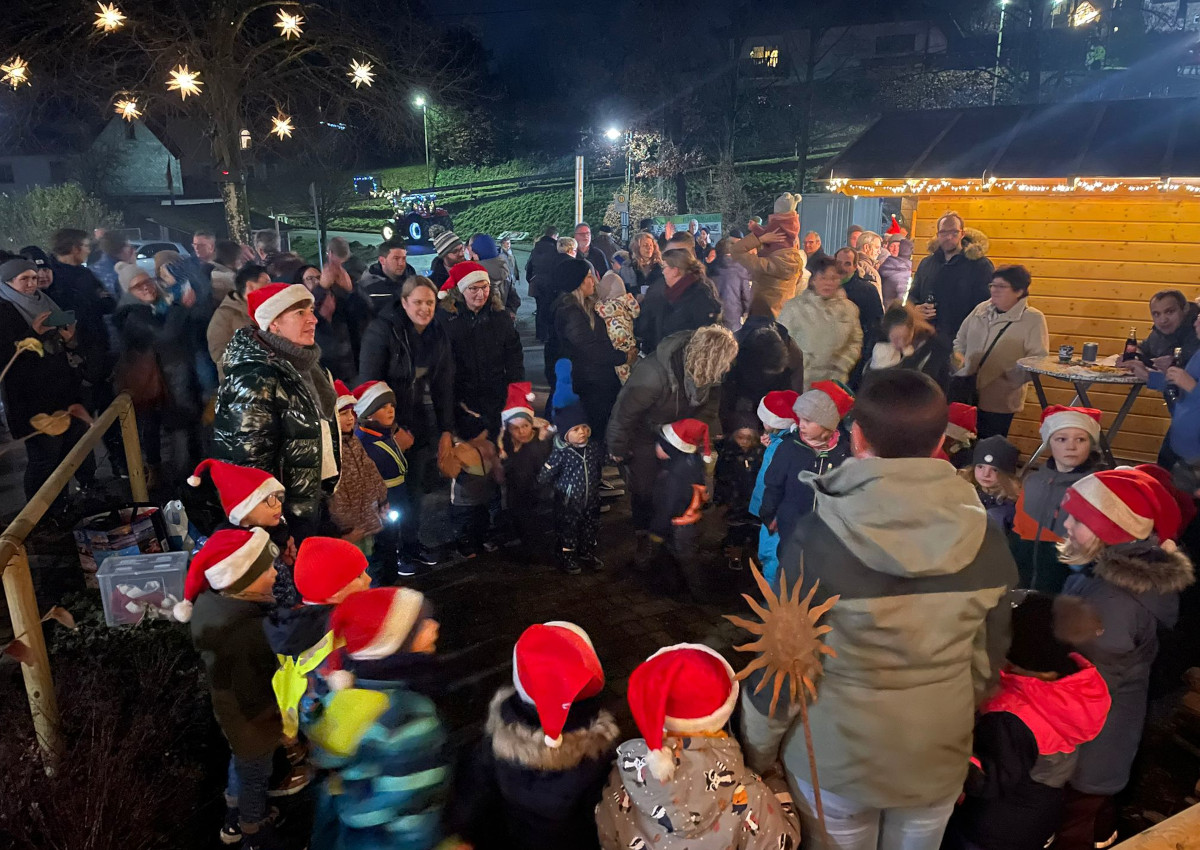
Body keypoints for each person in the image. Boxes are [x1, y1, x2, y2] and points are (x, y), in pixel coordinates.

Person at [740, 369, 1019, 850]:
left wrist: (757, 749)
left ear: (857, 435)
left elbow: (784, 669)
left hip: (836, 762)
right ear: (939, 443)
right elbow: (985, 662)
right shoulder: (987, 539)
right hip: (936, 754)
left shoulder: (815, 538)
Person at [1056, 466, 1196, 850]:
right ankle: (1107, 836)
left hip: (1093, 732)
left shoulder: (1112, 600)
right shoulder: (1109, 578)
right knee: (1096, 803)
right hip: (1112, 730)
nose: (1066, 524)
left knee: (1075, 817)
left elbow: (1089, 676)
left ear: (1111, 532)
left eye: (1079, 519)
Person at [942, 593, 1111, 850]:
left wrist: (944, 747)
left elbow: (987, 779)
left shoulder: (1011, 716)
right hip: (1039, 813)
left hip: (993, 829)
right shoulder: (1075, 687)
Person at [596, 643, 801, 850]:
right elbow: (781, 844)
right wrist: (774, 781)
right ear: (722, 716)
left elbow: (607, 833)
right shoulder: (750, 793)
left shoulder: (623, 777)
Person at [305, 587, 453, 850]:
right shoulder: (407, 715)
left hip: (349, 828)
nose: (434, 627)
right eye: (421, 626)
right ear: (396, 647)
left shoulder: (344, 692)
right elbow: (410, 803)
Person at [450, 621, 618, 850]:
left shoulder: (496, 740)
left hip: (513, 836)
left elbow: (475, 789)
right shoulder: (598, 753)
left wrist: (464, 832)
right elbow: (602, 812)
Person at [178, 528, 284, 850]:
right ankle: (253, 831)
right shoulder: (247, 632)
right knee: (256, 776)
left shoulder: (215, 606)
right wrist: (281, 718)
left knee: (241, 765)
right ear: (241, 581)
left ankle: (233, 816)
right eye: (267, 570)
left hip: (233, 717)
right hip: (254, 721)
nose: (275, 574)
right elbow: (258, 687)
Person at [213, 283, 340, 541]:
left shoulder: (308, 367)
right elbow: (249, 461)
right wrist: (275, 524)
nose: (313, 319)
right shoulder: (254, 377)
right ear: (273, 324)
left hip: (312, 499)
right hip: (283, 515)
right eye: (300, 313)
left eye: (312, 310)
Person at [607, 325, 739, 565]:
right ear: (708, 358)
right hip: (645, 432)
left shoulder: (710, 372)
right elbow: (625, 412)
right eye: (724, 362)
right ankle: (644, 534)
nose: (728, 367)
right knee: (644, 485)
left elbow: (709, 406)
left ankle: (667, 534)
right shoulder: (653, 374)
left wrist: (701, 433)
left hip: (681, 433)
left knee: (674, 486)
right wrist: (616, 446)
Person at [358, 276, 453, 566]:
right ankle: (386, 556)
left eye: (430, 303)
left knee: (413, 489)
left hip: (418, 420)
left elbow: (444, 384)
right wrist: (391, 430)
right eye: (418, 302)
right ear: (403, 302)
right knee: (390, 495)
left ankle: (410, 546)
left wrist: (446, 430)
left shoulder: (437, 332)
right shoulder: (382, 330)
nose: (424, 309)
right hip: (383, 424)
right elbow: (369, 384)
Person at [0, 257, 94, 508]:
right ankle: (37, 516)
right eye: (24, 279)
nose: (32, 283)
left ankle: (59, 507)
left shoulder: (45, 302)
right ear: (8, 282)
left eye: (34, 276)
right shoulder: (4, 310)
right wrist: (33, 334)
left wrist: (70, 337)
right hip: (30, 401)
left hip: (62, 392)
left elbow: (67, 346)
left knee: (65, 453)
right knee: (44, 458)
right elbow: (6, 361)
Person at [112, 261, 203, 486]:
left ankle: (176, 478)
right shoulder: (133, 314)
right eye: (137, 286)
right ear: (127, 291)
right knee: (176, 434)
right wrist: (181, 307)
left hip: (169, 382)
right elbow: (166, 335)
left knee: (167, 431)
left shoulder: (157, 305)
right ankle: (181, 486)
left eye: (147, 281)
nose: (146, 287)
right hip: (163, 385)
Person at [1011, 406, 1107, 594]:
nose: (1070, 446)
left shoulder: (1094, 487)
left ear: (1091, 443)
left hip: (1066, 578)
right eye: (1061, 439)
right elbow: (1018, 528)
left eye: (1080, 439)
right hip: (1024, 573)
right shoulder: (1033, 481)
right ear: (1049, 443)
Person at [953, 265, 1049, 439]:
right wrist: (959, 363)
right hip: (966, 390)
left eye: (1001, 286)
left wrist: (1009, 380)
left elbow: (1038, 359)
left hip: (1001, 399)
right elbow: (960, 339)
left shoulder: (1033, 318)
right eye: (992, 285)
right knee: (960, 444)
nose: (994, 290)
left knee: (988, 447)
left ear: (1019, 291)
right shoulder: (980, 309)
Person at [438, 261, 525, 437]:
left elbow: (515, 359)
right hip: (463, 403)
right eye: (474, 289)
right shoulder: (446, 321)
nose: (481, 294)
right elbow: (443, 369)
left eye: (485, 287)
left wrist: (517, 398)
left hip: (497, 399)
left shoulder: (500, 318)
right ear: (461, 290)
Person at [537, 366, 606, 574]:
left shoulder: (593, 447)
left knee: (589, 526)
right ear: (565, 433)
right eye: (575, 429)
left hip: (591, 498)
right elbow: (545, 474)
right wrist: (542, 487)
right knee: (568, 529)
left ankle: (586, 551)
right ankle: (567, 555)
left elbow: (599, 463)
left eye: (584, 427)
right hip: (568, 501)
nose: (582, 432)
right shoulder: (561, 453)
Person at [551, 259, 625, 442]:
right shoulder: (570, 311)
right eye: (589, 277)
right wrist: (622, 357)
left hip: (593, 378)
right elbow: (589, 347)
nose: (594, 281)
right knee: (594, 429)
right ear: (578, 282)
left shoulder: (585, 305)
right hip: (588, 382)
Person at [352, 380, 413, 581]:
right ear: (368, 412)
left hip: (395, 501)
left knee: (390, 545)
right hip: (380, 508)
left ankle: (391, 582)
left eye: (391, 406)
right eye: (383, 407)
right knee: (381, 553)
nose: (390, 411)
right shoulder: (363, 442)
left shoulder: (383, 435)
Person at [720, 299, 805, 433]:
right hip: (743, 393)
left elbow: (794, 389)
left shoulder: (793, 352)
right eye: (768, 372)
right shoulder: (735, 349)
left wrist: (790, 417)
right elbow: (726, 389)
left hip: (776, 395)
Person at [647, 418, 711, 594]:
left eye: (659, 445)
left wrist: (657, 530)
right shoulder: (691, 462)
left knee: (685, 558)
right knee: (686, 556)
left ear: (671, 448)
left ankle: (696, 591)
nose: (656, 448)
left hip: (679, 526)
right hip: (693, 521)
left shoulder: (674, 476)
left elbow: (669, 506)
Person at [778, 255, 861, 389]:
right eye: (823, 278)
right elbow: (782, 342)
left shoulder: (849, 309)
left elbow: (855, 341)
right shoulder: (794, 308)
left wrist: (842, 365)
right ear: (812, 280)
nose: (828, 283)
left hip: (836, 382)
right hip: (803, 381)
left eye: (833, 278)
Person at [910, 212, 994, 342]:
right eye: (943, 233)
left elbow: (987, 306)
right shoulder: (926, 264)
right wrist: (916, 308)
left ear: (962, 233)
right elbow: (912, 295)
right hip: (928, 339)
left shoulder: (980, 265)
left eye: (954, 232)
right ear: (937, 235)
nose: (949, 237)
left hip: (963, 340)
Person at [329, 381, 387, 555]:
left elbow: (370, 470)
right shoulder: (331, 448)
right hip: (349, 527)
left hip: (364, 519)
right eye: (343, 413)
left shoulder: (353, 441)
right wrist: (346, 526)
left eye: (351, 413)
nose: (350, 418)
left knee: (366, 560)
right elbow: (335, 494)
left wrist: (382, 499)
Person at [497, 382, 554, 551]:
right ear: (508, 429)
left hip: (539, 493)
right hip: (517, 494)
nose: (522, 431)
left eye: (525, 426)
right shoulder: (505, 446)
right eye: (516, 428)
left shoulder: (540, 442)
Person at [635, 248, 721, 355]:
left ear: (675, 271)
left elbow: (705, 332)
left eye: (665, 267)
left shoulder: (701, 293)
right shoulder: (664, 289)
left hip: (686, 359)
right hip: (663, 355)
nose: (663, 272)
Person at [730, 193, 805, 314]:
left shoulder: (766, 265)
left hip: (763, 317)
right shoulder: (797, 263)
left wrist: (760, 239)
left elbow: (736, 250)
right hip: (786, 316)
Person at [295, 261, 368, 384]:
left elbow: (365, 312)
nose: (317, 281)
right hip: (323, 379)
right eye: (310, 279)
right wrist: (321, 289)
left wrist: (351, 289)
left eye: (319, 277)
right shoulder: (300, 313)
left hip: (351, 376)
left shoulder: (339, 305)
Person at [713, 411, 763, 572]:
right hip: (735, 501)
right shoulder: (728, 454)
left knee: (757, 530)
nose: (745, 442)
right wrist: (720, 500)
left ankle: (758, 555)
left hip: (756, 500)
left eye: (749, 438)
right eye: (740, 437)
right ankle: (735, 554)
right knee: (736, 531)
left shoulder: (760, 453)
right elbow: (720, 478)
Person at [442, 416, 499, 558]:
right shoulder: (458, 451)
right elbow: (449, 471)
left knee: (481, 519)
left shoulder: (487, 446)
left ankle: (481, 538)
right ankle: (464, 544)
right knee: (463, 524)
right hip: (462, 499)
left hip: (482, 496)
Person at [866, 302, 953, 388]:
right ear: (886, 333)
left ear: (912, 329)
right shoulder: (880, 345)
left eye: (905, 338)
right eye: (896, 339)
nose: (901, 344)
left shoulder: (932, 346)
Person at [208, 263, 269, 380]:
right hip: (242, 380)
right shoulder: (225, 314)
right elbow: (219, 354)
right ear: (250, 286)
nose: (271, 286)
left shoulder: (266, 308)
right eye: (266, 282)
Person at [835, 247, 883, 387]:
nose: (842, 268)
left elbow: (876, 324)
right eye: (839, 263)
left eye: (847, 263)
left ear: (855, 266)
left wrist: (865, 353)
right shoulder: (826, 287)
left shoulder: (867, 290)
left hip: (854, 355)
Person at [595, 256, 640, 383]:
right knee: (630, 370)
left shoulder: (612, 306)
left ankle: (627, 392)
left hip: (619, 344)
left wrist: (596, 303)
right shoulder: (626, 302)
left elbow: (600, 310)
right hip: (628, 341)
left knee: (623, 372)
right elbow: (636, 313)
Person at [963, 434, 1022, 533]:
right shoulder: (966, 490)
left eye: (995, 469)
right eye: (980, 467)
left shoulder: (1008, 508)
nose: (986, 474)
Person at [358, 237, 416, 316]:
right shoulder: (369, 286)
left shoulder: (410, 273)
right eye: (396, 259)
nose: (401, 263)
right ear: (382, 260)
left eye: (403, 258)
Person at [469, 233, 521, 317]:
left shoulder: (475, 275)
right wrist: (509, 313)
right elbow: (514, 299)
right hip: (503, 322)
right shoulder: (504, 268)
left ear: (477, 254)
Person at [710, 237, 753, 332]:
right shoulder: (741, 269)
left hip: (712, 316)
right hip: (733, 314)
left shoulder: (708, 268)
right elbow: (746, 295)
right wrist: (746, 312)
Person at [526, 226, 561, 342]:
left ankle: (539, 334)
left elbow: (529, 267)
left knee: (540, 308)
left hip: (536, 282)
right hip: (550, 284)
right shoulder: (555, 249)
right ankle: (547, 335)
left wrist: (531, 280)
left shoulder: (536, 248)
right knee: (549, 308)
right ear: (554, 236)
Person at [622, 231, 665, 298]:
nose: (649, 248)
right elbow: (625, 289)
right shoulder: (628, 266)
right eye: (645, 245)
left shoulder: (660, 265)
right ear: (636, 248)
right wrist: (636, 296)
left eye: (651, 245)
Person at [91, 230, 131, 297]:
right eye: (128, 246)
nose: (131, 250)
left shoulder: (92, 269)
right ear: (122, 248)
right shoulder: (120, 273)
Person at [879, 234, 913, 305]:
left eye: (898, 246)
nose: (895, 249)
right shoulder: (880, 264)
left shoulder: (882, 267)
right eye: (892, 246)